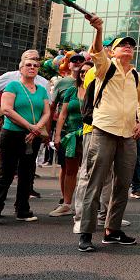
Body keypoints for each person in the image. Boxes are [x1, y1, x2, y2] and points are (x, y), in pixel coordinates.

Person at [77, 14, 140, 252]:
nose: (128, 47)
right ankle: (86, 233)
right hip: (103, 131)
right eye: (122, 44)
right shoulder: (105, 67)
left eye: (131, 45)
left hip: (129, 135)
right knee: (95, 183)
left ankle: (112, 230)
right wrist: (98, 30)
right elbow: (97, 51)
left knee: (122, 184)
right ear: (113, 51)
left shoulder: (136, 75)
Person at [0, 56, 51, 226]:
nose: (32, 67)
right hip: (12, 134)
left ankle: (22, 209)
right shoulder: (13, 85)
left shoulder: (42, 89)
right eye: (28, 65)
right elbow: (6, 109)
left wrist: (37, 128)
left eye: (35, 66)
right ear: (21, 69)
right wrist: (30, 126)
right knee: (5, 174)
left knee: (27, 174)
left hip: (33, 136)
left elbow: (47, 112)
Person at [50, 60, 94, 217]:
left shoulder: (97, 91)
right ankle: (67, 204)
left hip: (91, 135)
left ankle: (87, 207)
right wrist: (57, 135)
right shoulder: (70, 91)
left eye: (87, 71)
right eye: (82, 71)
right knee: (70, 170)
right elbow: (62, 115)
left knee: (90, 172)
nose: (83, 74)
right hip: (70, 136)